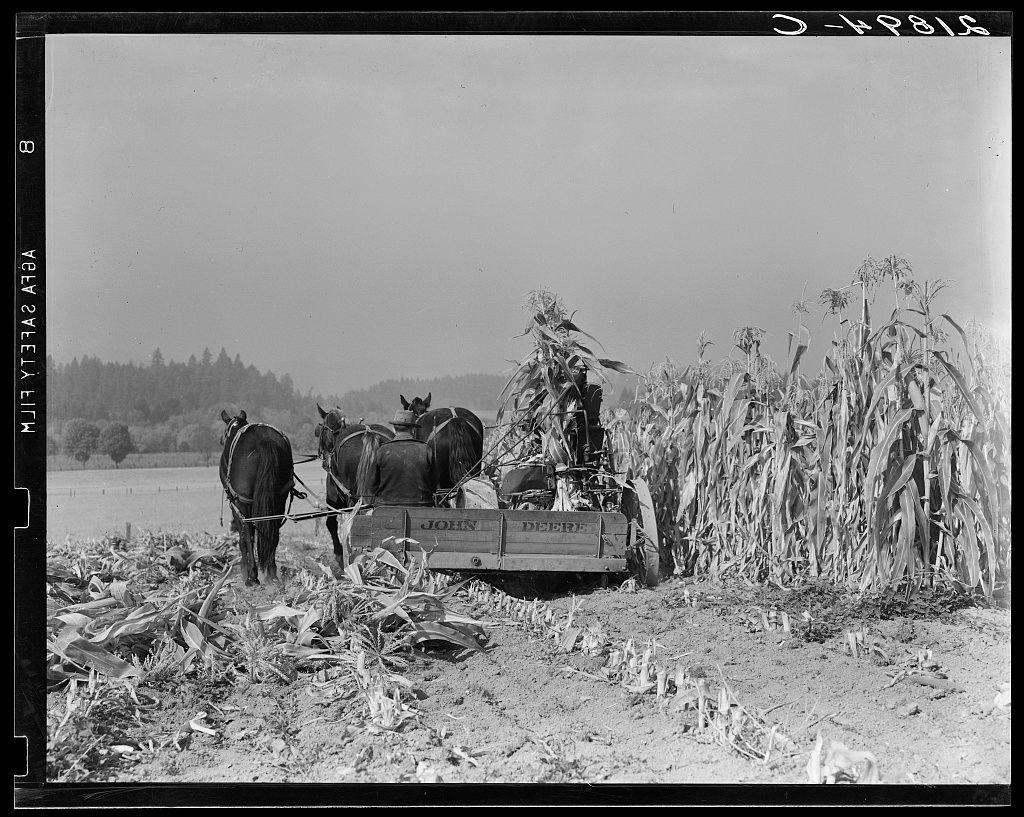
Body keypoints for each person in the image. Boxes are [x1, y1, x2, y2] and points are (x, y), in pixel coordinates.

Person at [366, 409, 438, 507]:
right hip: (422, 506)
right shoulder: (426, 449)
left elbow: (372, 485)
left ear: (395, 428)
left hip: (386, 506)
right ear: (413, 429)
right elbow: (434, 485)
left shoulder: (382, 450)